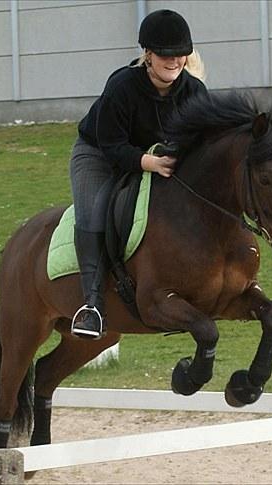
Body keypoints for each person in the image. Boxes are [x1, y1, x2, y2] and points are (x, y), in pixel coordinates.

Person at [69, 9, 208, 339]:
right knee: (96, 211)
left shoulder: (194, 91)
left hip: (157, 159)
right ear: (147, 54)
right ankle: (91, 306)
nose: (174, 62)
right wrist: (149, 163)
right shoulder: (122, 86)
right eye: (165, 55)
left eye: (180, 55)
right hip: (99, 154)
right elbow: (111, 143)